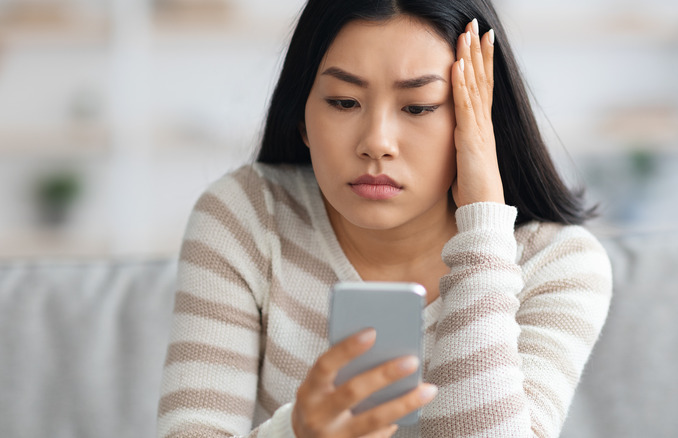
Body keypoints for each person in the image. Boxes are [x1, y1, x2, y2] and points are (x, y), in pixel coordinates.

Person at [156, 0, 612, 437]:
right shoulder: (248, 216)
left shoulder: (559, 264)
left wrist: (484, 231)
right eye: (343, 102)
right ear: (302, 119)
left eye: (417, 107)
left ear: (479, 119)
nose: (376, 142)